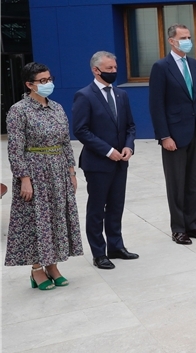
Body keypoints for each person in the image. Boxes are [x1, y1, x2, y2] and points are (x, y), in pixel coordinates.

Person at [5, 62, 84, 290]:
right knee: (37, 221)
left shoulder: (57, 108)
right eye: (42, 81)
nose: (48, 84)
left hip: (58, 170)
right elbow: (15, 148)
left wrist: (71, 171)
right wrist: (24, 178)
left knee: (57, 218)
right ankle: (37, 269)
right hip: (35, 171)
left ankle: (53, 265)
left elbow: (65, 142)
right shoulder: (19, 110)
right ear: (29, 84)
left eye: (49, 79)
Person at [72, 51, 138, 270]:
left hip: (121, 161)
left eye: (115, 68)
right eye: (109, 69)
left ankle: (116, 246)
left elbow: (130, 125)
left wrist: (129, 146)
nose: (114, 72)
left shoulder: (121, 95)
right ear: (96, 70)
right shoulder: (84, 95)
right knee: (97, 208)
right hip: (98, 163)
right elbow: (81, 130)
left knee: (116, 206)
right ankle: (99, 253)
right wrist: (108, 150)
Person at [149, 24, 196, 245]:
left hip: (195, 132)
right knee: (176, 183)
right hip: (174, 135)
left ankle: (192, 225)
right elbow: (156, 105)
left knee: (194, 183)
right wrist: (164, 136)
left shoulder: (195, 65)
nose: (187, 40)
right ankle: (178, 228)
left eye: (189, 37)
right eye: (183, 37)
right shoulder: (161, 67)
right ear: (171, 41)